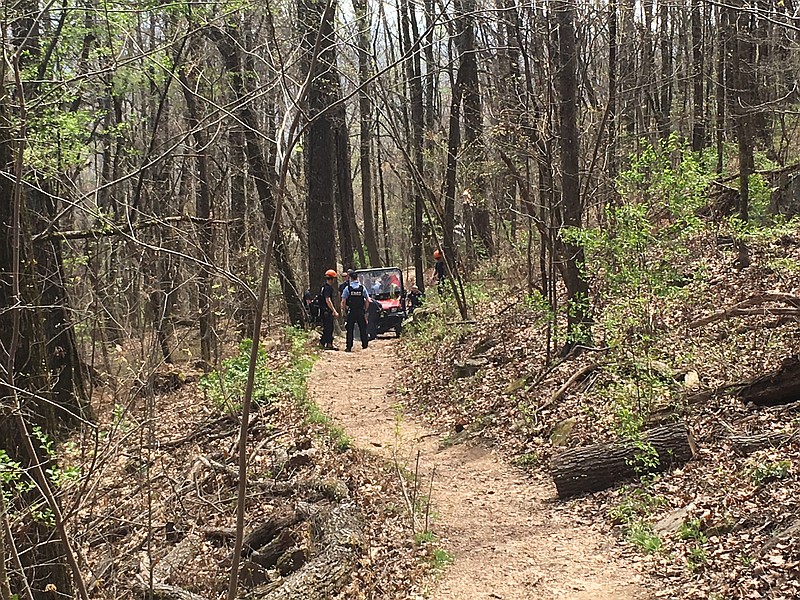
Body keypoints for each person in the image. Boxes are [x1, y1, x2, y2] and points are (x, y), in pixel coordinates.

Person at [340, 270, 370, 352]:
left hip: (351, 311)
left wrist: (344, 311)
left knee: (350, 329)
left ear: (350, 278)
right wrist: (365, 309)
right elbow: (367, 300)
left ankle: (349, 347)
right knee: (362, 328)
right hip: (360, 311)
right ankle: (365, 344)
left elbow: (343, 301)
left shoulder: (348, 288)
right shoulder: (362, 288)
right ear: (357, 278)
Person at [320, 269, 339, 350]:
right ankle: (327, 343)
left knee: (328, 327)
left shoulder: (324, 287)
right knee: (329, 327)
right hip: (326, 311)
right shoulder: (328, 288)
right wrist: (334, 310)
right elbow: (328, 300)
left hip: (324, 310)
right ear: (331, 279)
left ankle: (326, 342)